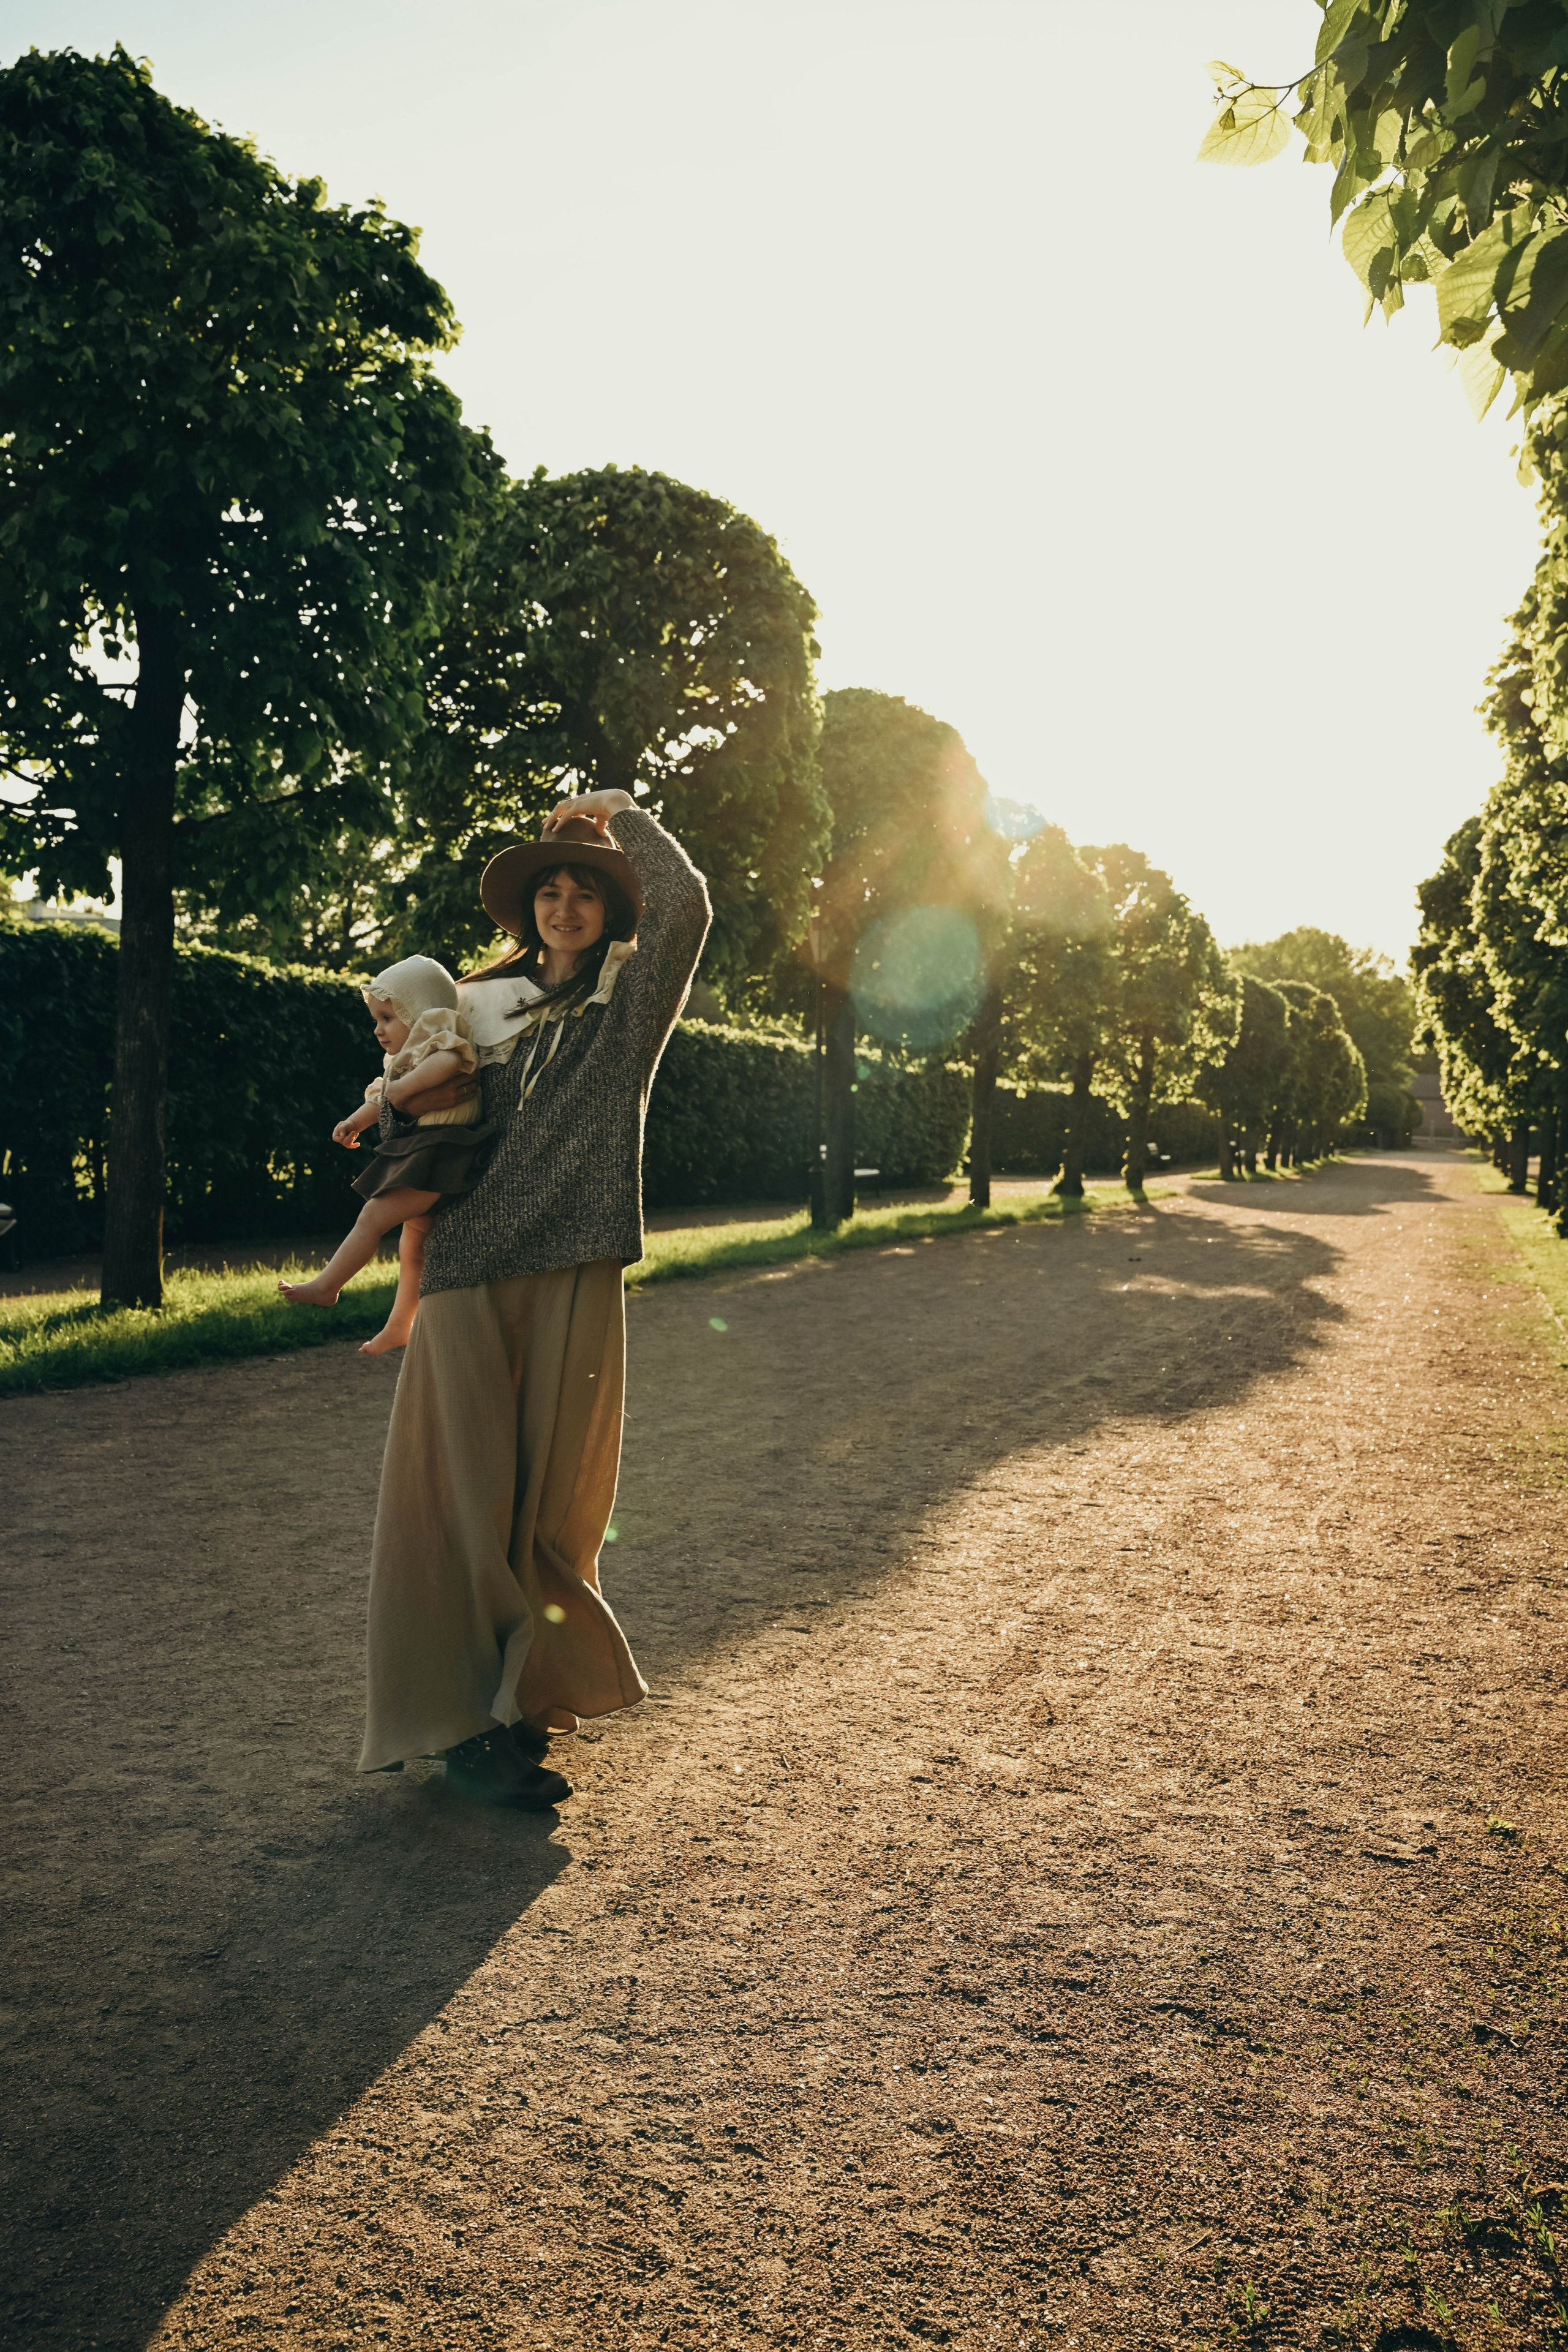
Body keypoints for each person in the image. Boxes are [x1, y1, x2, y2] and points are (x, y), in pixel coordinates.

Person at [358, 790, 710, 1809]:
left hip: (580, 1265)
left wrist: (628, 813)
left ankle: (515, 1704)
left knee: (556, 1503)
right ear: (527, 911)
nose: (564, 905)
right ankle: (456, 1725)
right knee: (460, 1496)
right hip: (471, 1264)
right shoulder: (472, 1007)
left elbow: (685, 902)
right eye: (549, 890)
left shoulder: (634, 1002)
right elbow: (413, 1110)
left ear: (609, 907)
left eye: (585, 891)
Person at [278, 956, 493, 1357]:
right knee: (412, 1248)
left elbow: (448, 1063)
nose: (379, 1030)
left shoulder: (440, 1035)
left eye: (388, 1018)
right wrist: (356, 1121)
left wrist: (403, 1089)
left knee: (373, 1217)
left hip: (441, 1153)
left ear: (420, 1012)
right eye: (375, 1020)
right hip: (423, 1152)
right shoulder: (402, 1059)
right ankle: (399, 1326)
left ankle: (328, 1287)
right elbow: (381, 1098)